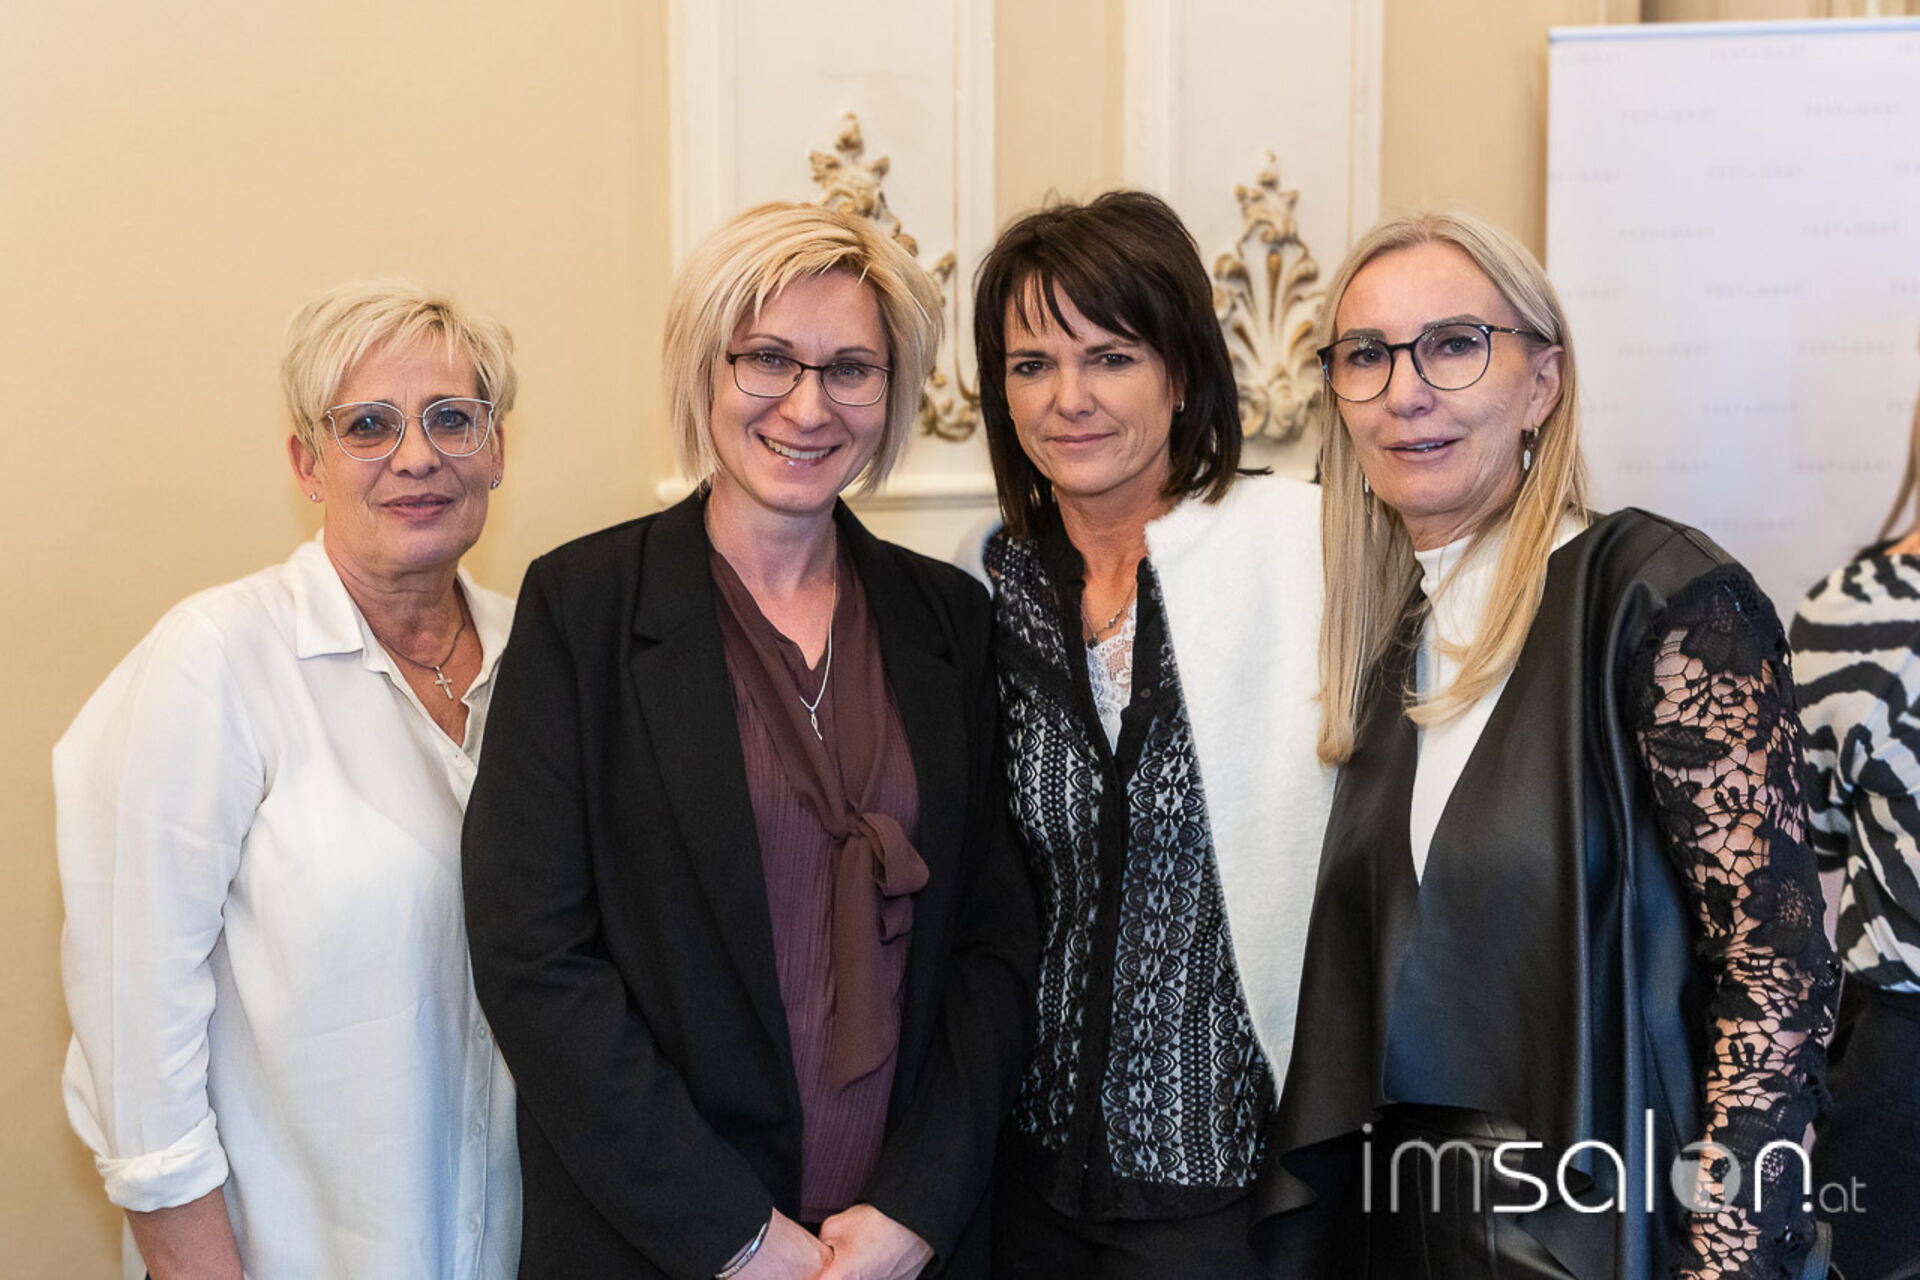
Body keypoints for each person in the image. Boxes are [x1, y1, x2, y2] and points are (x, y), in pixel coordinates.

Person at [461, 201, 1038, 1280]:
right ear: (705, 370)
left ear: (892, 393)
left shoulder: (951, 620)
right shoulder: (584, 608)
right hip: (665, 1246)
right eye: (768, 359)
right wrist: (734, 1234)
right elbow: (533, 955)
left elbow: (996, 945)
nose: (807, 406)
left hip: (903, 1250)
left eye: (850, 369)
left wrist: (916, 1206)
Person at [1258, 209, 1839, 1279]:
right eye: (1366, 355)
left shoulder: (1660, 598)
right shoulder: (1382, 641)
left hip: (1621, 1232)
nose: (1405, 392)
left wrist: (1731, 1258)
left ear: (1543, 382)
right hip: (1405, 1232)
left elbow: (1776, 965)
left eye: (1454, 344)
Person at [56, 280, 522, 1278]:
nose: (417, 455)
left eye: (452, 417)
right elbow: (136, 1038)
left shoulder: (547, 656)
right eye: (369, 425)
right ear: (308, 463)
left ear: (496, 449)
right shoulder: (216, 661)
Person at [972, 190, 1331, 1279]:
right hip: (1020, 1179)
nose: (1068, 398)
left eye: (1111, 357)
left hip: (1229, 1188)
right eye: (1032, 364)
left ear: (1182, 373)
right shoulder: (994, 585)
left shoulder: (1302, 558)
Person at [1794, 378, 1920, 1280]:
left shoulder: (1851, 613)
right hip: (1896, 1069)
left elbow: (1824, 835)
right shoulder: (1849, 617)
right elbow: (1813, 848)